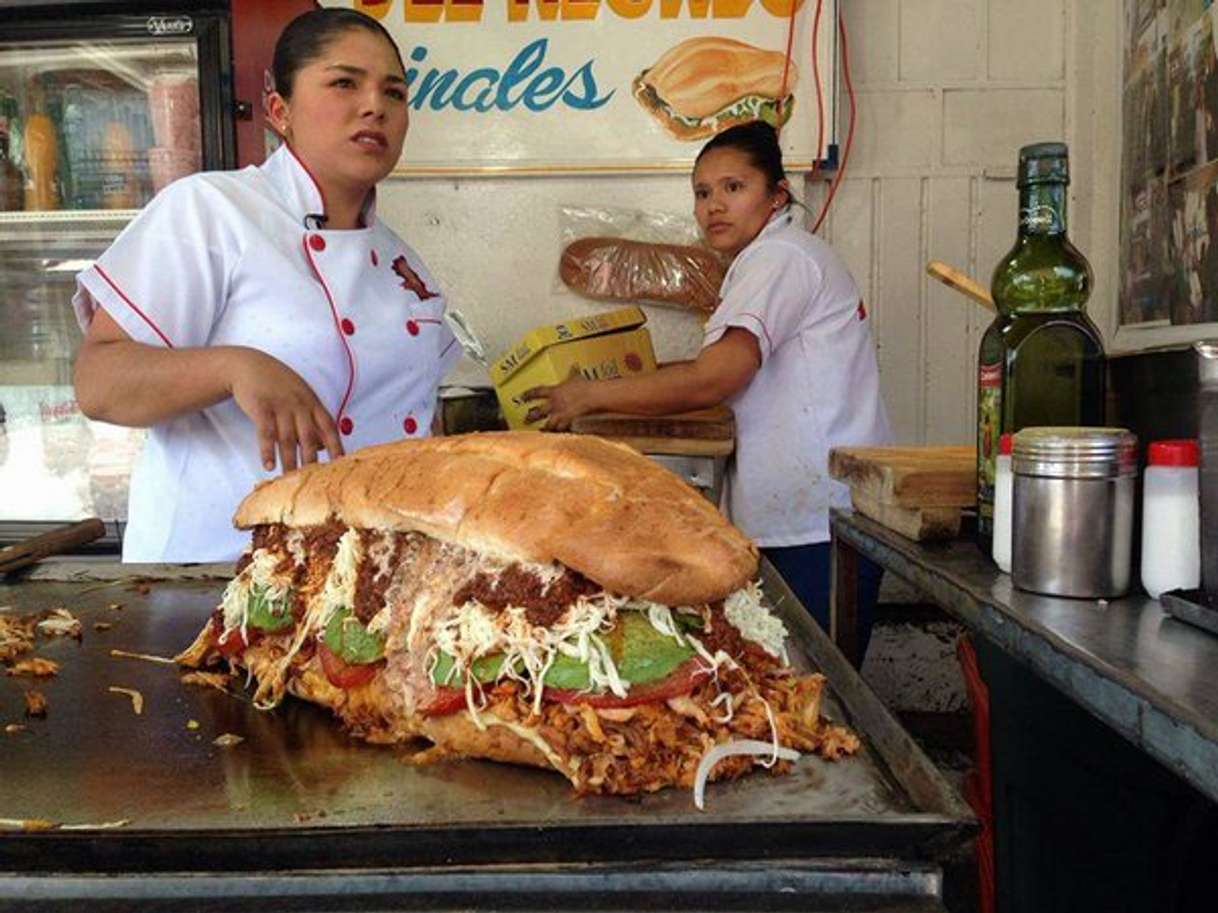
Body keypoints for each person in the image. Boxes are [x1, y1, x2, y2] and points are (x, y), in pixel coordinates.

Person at [71, 8, 459, 563]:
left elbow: (420, 425)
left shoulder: (404, 267)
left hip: (360, 578)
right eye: (344, 82)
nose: (375, 105)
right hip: (207, 574)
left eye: (394, 93)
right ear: (280, 110)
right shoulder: (212, 210)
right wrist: (234, 367)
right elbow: (99, 383)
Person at [523, 120, 892, 658]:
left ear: (776, 195)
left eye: (733, 188)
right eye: (702, 192)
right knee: (800, 688)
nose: (713, 205)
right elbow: (714, 365)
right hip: (814, 516)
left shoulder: (779, 258)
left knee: (814, 690)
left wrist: (590, 396)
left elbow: (717, 376)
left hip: (815, 523)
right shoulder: (774, 258)